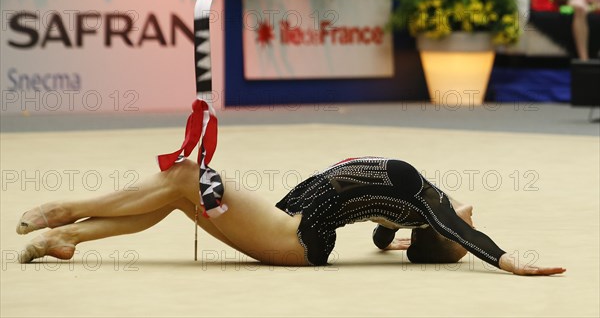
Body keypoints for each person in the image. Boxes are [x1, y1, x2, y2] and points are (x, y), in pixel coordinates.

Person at [16, 156, 565, 276]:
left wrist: (510, 260)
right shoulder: (406, 213)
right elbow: (379, 232)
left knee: (188, 175)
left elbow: (468, 231)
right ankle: (65, 238)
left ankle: (65, 210)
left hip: (297, 238)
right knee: (182, 196)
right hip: (290, 225)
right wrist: (398, 243)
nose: (463, 212)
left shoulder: (433, 205)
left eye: (454, 239)